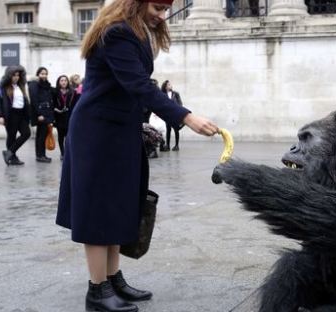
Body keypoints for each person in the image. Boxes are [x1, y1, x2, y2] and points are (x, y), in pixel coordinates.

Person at [55, 1, 219, 311]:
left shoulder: (133, 32)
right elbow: (139, 85)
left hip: (118, 129)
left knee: (118, 205)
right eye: (158, 7)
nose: (163, 15)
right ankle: (97, 291)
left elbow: (131, 87)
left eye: (165, 8)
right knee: (98, 209)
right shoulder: (116, 33)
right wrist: (186, 117)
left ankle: (113, 278)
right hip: (98, 130)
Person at [0, 65, 31, 166]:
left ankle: (9, 152)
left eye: (18, 75)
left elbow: (24, 101)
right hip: (11, 114)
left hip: (21, 114)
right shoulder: (2, 88)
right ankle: (13, 158)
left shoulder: (20, 87)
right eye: (14, 75)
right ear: (9, 76)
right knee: (11, 136)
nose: (16, 77)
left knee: (26, 133)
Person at [28, 67, 55, 163]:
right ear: (38, 74)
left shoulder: (46, 85)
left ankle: (40, 155)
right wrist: (39, 114)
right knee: (41, 135)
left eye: (45, 73)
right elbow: (34, 100)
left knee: (42, 134)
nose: (44, 75)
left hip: (47, 112)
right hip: (41, 113)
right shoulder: (35, 84)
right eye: (42, 73)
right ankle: (40, 155)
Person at [53, 75, 78, 160]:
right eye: (61, 81)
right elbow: (53, 104)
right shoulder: (55, 92)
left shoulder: (72, 92)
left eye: (65, 80)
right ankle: (62, 153)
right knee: (60, 136)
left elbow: (75, 104)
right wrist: (57, 110)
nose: (63, 82)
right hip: (59, 116)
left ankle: (68, 153)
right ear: (59, 82)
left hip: (69, 116)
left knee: (68, 136)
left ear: (68, 82)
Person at [160, 80, 182, 151]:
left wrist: (178, 110)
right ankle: (168, 145)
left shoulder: (176, 94)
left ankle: (176, 145)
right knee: (168, 130)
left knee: (176, 130)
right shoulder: (163, 94)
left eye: (170, 84)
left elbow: (180, 103)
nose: (170, 85)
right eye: (169, 85)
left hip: (175, 114)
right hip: (167, 114)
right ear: (165, 87)